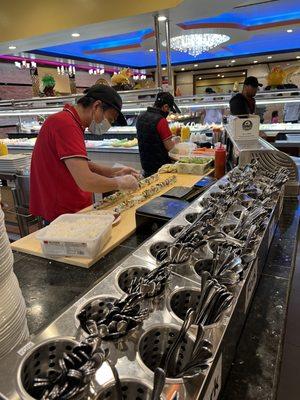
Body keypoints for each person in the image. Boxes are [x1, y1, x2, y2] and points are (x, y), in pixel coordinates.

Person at [30, 85, 139, 223]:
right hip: (63, 213)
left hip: (67, 207)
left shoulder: (70, 121)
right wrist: (120, 183)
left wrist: (113, 172)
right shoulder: (66, 124)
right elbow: (86, 181)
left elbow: (79, 163)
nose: (108, 125)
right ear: (96, 106)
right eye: (110, 119)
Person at [136, 92, 180, 177]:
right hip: (160, 168)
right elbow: (170, 147)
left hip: (146, 166)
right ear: (165, 107)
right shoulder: (161, 120)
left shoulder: (140, 116)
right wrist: (176, 142)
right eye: (169, 109)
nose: (168, 112)